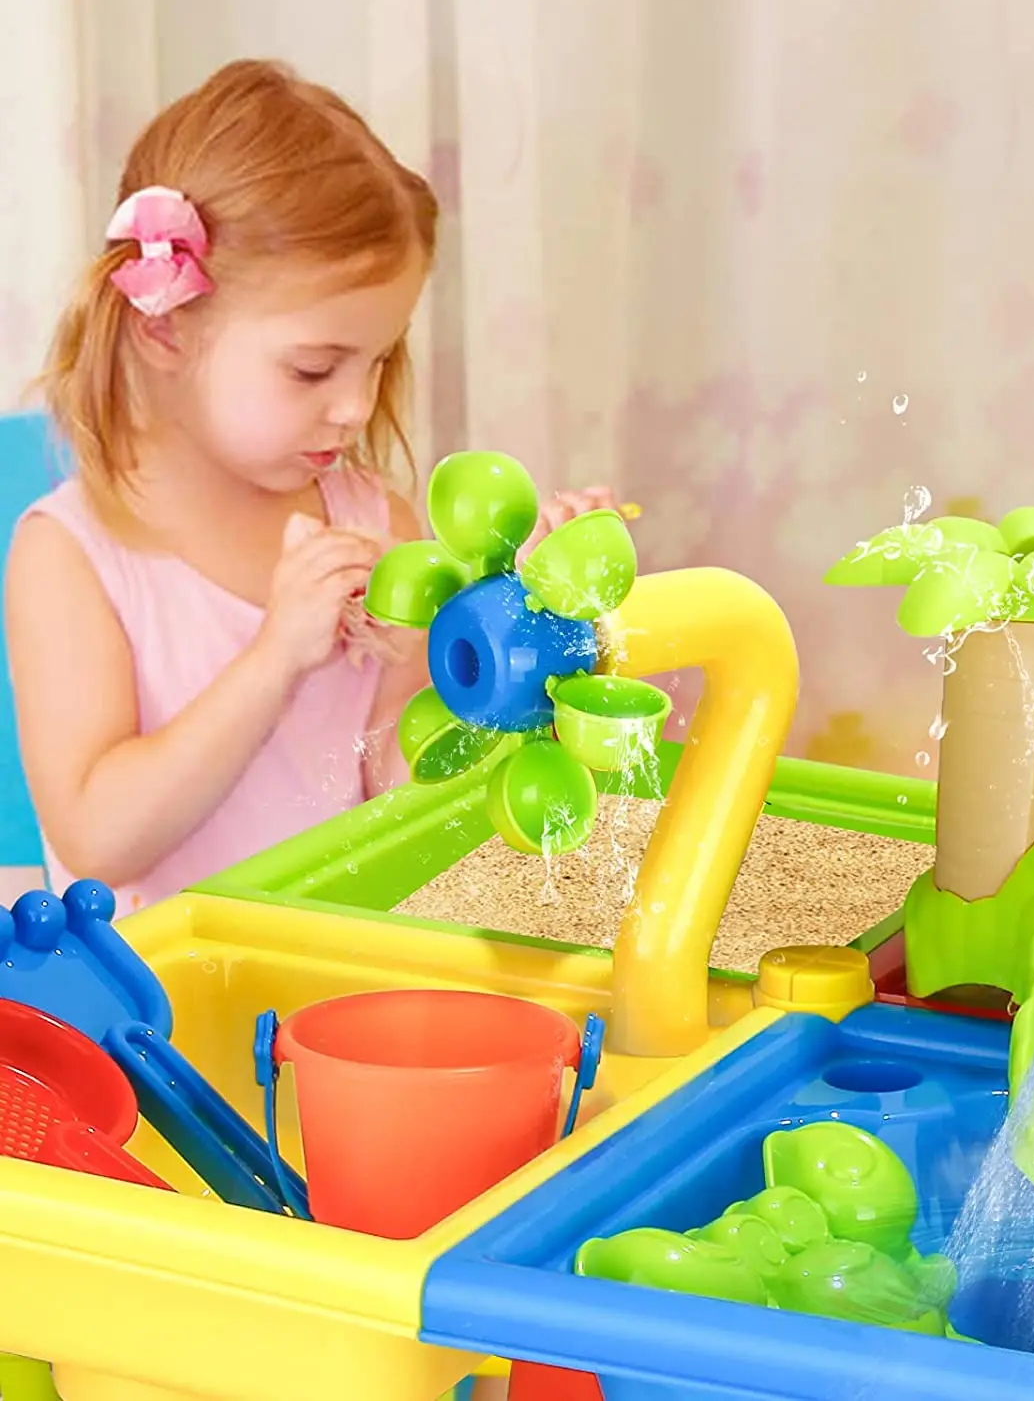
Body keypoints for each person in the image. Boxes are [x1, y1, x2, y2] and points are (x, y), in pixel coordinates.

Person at [6, 59, 614, 916]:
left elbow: (401, 791)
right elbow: (96, 837)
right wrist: (273, 661)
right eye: (314, 368)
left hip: (342, 979)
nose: (357, 406)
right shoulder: (73, 555)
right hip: (161, 1011)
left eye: (378, 362)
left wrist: (518, 643)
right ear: (165, 331)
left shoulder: (373, 521)